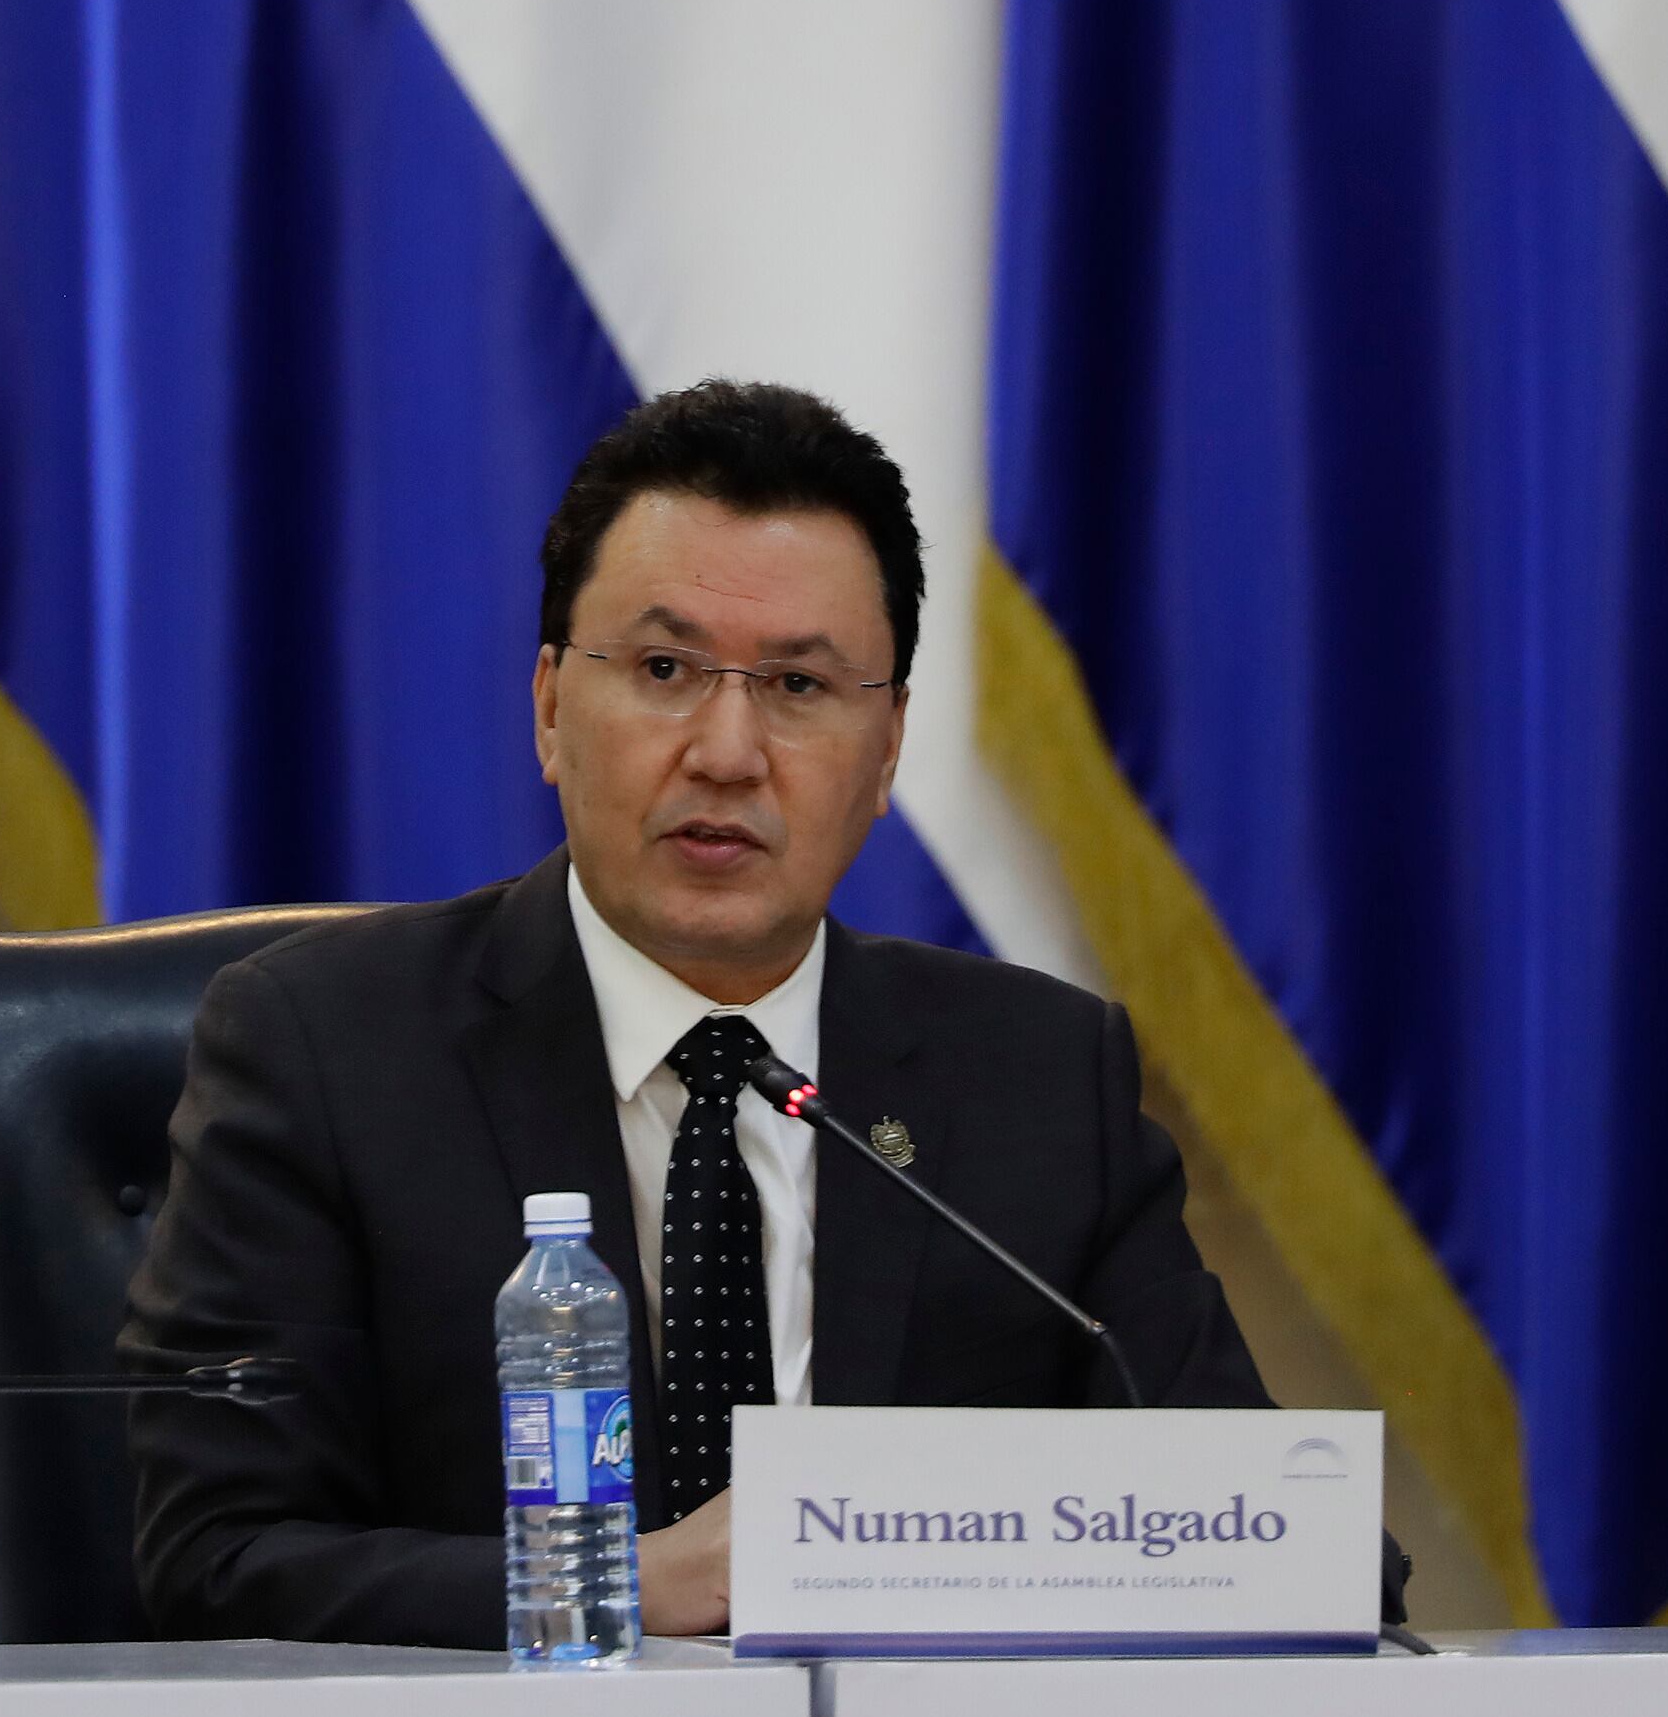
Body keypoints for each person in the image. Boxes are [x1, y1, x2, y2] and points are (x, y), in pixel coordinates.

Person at [123, 381, 1300, 1646]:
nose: (729, 752)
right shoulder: (323, 1050)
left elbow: (1268, 1539)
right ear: (550, 709)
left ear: (890, 746)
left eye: (800, 687)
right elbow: (210, 1553)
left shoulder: (1039, 1077)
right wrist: (612, 1585)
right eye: (667, 669)